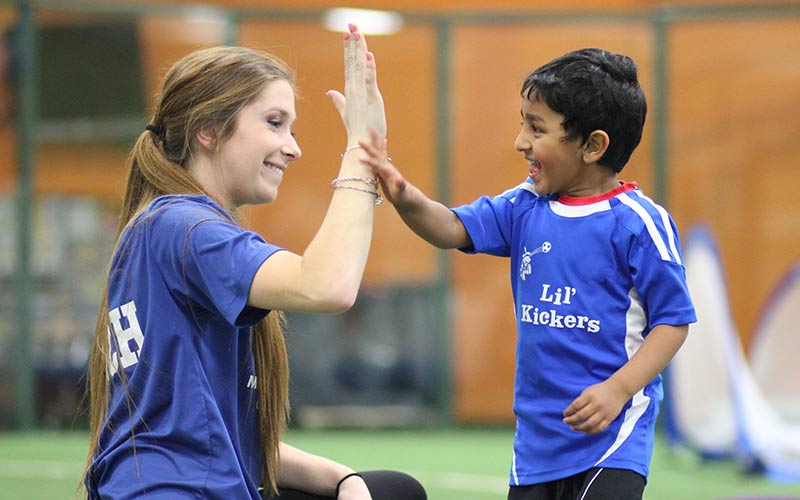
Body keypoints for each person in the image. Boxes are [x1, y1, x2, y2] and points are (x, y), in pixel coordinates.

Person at [81, 24, 426, 500]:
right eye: (274, 122)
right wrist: (360, 153)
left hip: (174, 483)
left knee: (389, 489)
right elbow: (327, 286)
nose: (294, 146)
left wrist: (344, 479)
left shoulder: (165, 223)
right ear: (208, 130)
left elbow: (225, 437)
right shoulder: (186, 227)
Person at [358, 48, 696, 499]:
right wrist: (398, 189)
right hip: (536, 443)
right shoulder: (523, 206)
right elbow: (450, 228)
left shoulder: (638, 223)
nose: (520, 141)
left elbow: (673, 321)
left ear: (593, 146)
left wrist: (618, 390)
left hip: (613, 440)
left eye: (536, 128)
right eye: (523, 123)